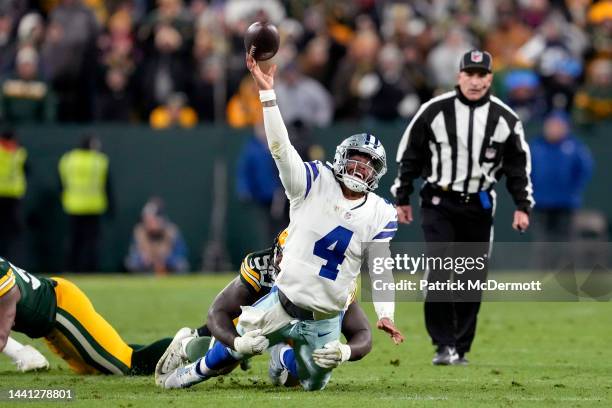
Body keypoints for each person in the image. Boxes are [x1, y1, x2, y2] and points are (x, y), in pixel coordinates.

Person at [155, 53, 404, 392]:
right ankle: (192, 365)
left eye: (368, 164)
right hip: (282, 300)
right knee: (230, 350)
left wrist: (385, 313)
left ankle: (280, 358)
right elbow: (280, 148)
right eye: (356, 160)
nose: (360, 169)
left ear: (377, 173)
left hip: (324, 317)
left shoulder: (380, 212)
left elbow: (380, 269)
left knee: (313, 383)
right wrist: (267, 96)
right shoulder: (314, 180)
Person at [392, 50, 533, 365]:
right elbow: (410, 154)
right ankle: (443, 344)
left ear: (490, 79)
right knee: (441, 269)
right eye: (469, 73)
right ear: (459, 76)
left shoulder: (505, 119)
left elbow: (517, 167)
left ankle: (461, 347)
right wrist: (402, 196)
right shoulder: (434, 111)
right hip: (439, 200)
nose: (475, 80)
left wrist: (522, 205)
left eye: (481, 74)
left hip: (479, 202)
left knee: (471, 276)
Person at [156, 230, 400, 388]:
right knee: (225, 361)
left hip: (297, 320)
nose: (285, 262)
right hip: (252, 316)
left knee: (295, 379)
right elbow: (217, 313)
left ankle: (279, 354)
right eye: (284, 255)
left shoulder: (326, 284)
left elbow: (362, 334)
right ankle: (188, 343)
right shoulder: (260, 266)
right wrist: (237, 342)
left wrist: (344, 351)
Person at [0, 256, 171, 375]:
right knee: (96, 366)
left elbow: (4, 322)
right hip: (50, 323)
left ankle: (189, 347)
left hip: (61, 308)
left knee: (127, 365)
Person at [529, 110, 593, 268]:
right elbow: (525, 172)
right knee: (543, 239)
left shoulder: (575, 146)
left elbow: (584, 169)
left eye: (558, 126)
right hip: (541, 201)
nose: (554, 129)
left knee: (566, 239)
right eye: (551, 126)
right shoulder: (535, 146)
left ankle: (566, 272)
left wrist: (573, 190)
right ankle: (543, 271)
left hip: (566, 202)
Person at [58, 135, 113, 272]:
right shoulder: (99, 161)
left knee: (74, 240)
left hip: (73, 205)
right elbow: (107, 185)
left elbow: (61, 183)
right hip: (94, 206)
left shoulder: (68, 160)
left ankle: (71, 268)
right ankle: (90, 269)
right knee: (92, 242)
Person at [125, 197, 189, 275]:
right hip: (147, 267)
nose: (149, 223)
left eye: (153, 219)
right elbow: (134, 253)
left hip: (167, 266)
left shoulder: (171, 230)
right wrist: (142, 258)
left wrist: (166, 260)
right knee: (131, 263)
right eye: (147, 219)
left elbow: (181, 252)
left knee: (181, 265)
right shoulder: (139, 231)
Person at [0, 129, 27, 264]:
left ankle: (12, 263)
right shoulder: (18, 152)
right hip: (6, 197)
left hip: (14, 198)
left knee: (13, 233)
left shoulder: (19, 153)